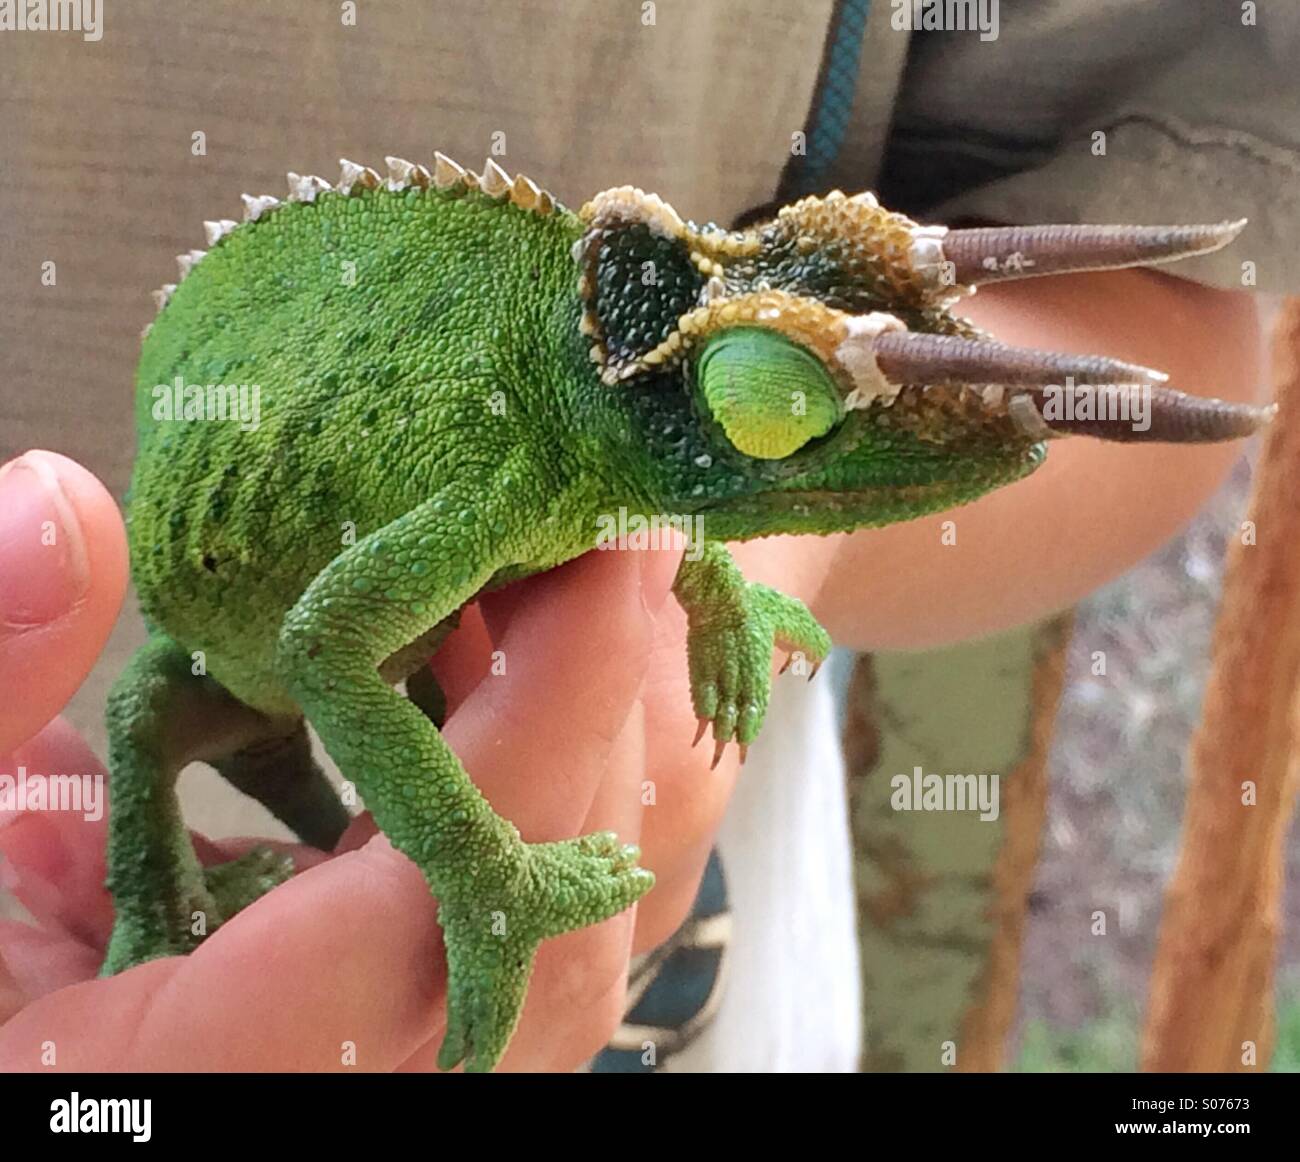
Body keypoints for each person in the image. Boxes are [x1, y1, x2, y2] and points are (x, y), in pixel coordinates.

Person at [0, 1, 1294, 1071]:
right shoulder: (535, 452)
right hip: (177, 682)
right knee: (157, 717)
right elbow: (330, 642)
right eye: (778, 411)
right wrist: (481, 868)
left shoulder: (610, 431)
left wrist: (766, 566)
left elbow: (1179, 308)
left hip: (683, 953)